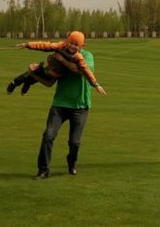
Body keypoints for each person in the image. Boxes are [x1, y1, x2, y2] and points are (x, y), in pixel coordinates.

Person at [31, 43, 105, 179]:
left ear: (82, 44)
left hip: (80, 106)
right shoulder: (59, 54)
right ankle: (43, 170)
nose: (73, 45)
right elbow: (49, 75)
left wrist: (62, 60)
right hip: (60, 104)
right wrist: (37, 70)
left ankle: (71, 163)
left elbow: (81, 71)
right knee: (48, 135)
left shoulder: (87, 56)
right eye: (71, 42)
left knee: (74, 142)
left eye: (77, 43)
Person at [7, 31, 106, 96]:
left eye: (76, 45)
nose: (72, 46)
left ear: (81, 46)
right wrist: (27, 45)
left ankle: (26, 85)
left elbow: (86, 70)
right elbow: (44, 45)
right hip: (45, 66)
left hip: (52, 75)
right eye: (71, 43)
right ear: (67, 41)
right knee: (29, 75)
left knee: (33, 79)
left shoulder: (78, 57)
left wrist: (96, 85)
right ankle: (14, 83)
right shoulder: (60, 46)